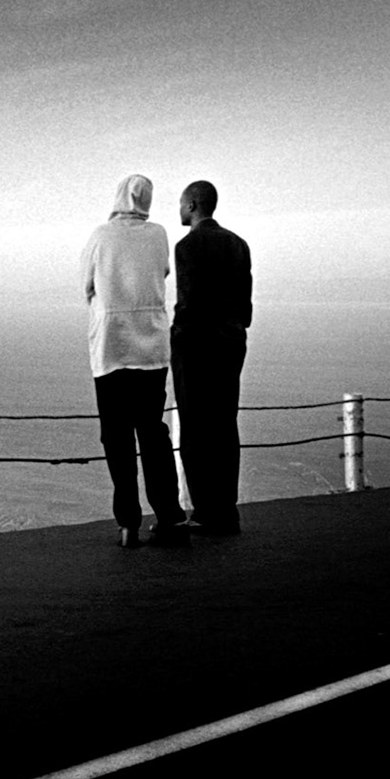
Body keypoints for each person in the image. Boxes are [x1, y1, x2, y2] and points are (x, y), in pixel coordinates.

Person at [81, 174, 188, 548]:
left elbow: (86, 284)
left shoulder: (100, 235)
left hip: (111, 347)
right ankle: (171, 515)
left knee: (117, 436)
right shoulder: (159, 234)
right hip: (151, 346)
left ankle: (127, 522)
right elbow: (162, 273)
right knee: (153, 432)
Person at [171, 180, 253, 534]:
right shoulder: (239, 244)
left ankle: (204, 510)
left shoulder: (186, 246)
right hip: (232, 341)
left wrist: (176, 336)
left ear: (191, 204)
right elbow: (246, 302)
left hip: (196, 344)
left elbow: (187, 300)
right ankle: (226, 508)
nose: (179, 210)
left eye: (180, 203)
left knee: (193, 426)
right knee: (224, 422)